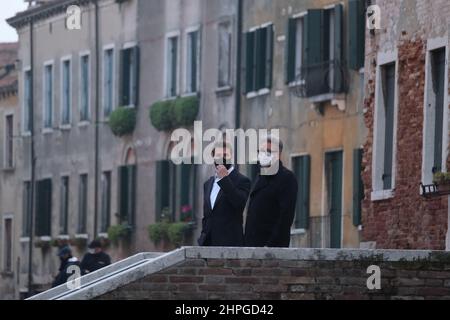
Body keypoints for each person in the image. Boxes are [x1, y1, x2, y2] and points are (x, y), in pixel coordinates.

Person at [244, 136, 298, 247]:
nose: (263, 155)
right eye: (261, 151)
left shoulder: (287, 178)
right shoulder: (260, 176)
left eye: (268, 151)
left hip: (272, 249)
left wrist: (270, 245)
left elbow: (286, 216)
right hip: (252, 246)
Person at [198, 141, 251, 247]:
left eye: (225, 155)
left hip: (231, 244)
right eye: (218, 155)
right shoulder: (208, 184)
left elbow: (239, 203)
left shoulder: (242, 180)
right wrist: (203, 237)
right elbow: (207, 215)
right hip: (208, 243)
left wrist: (225, 179)